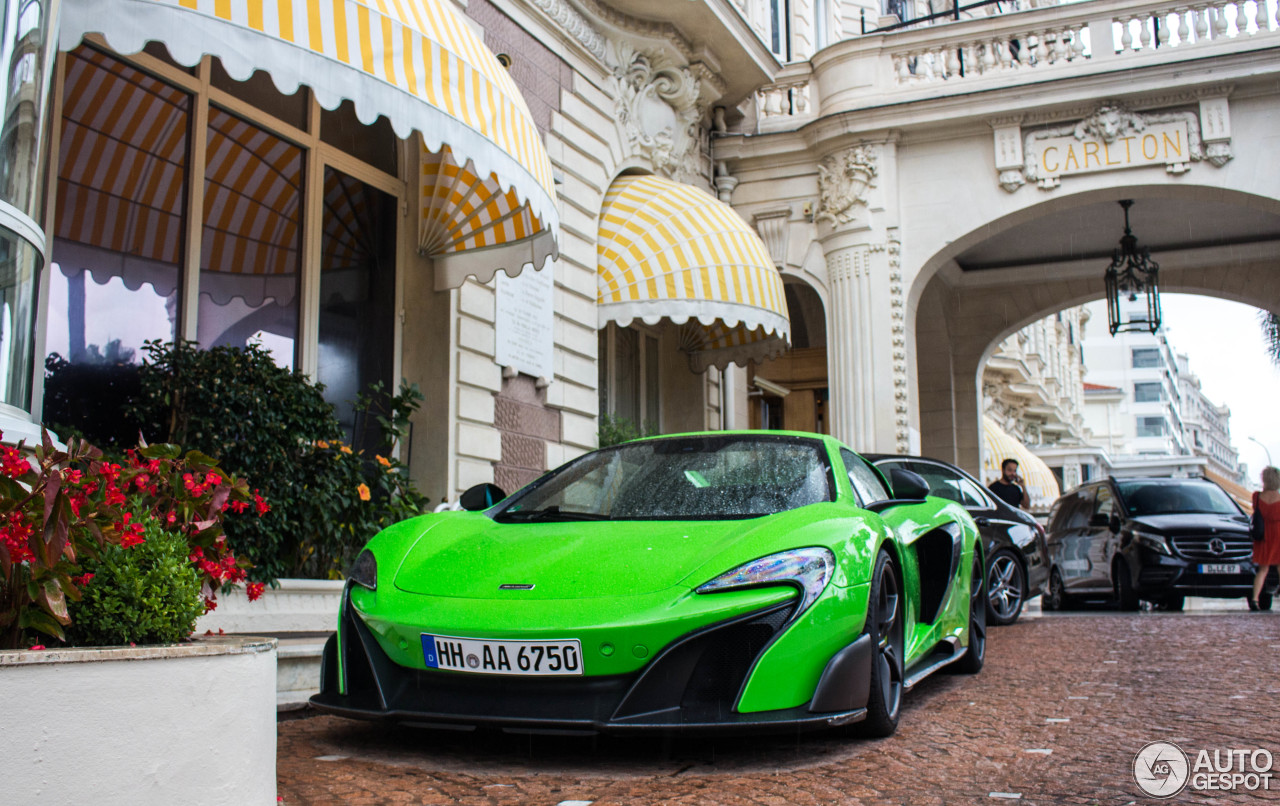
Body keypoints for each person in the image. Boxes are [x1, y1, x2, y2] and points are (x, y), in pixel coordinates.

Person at [1249, 466, 1280, 611]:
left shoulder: (1256, 497)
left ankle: (1254, 600)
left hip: (1263, 536)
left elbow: (1256, 513)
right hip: (1278, 534)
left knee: (1262, 570)